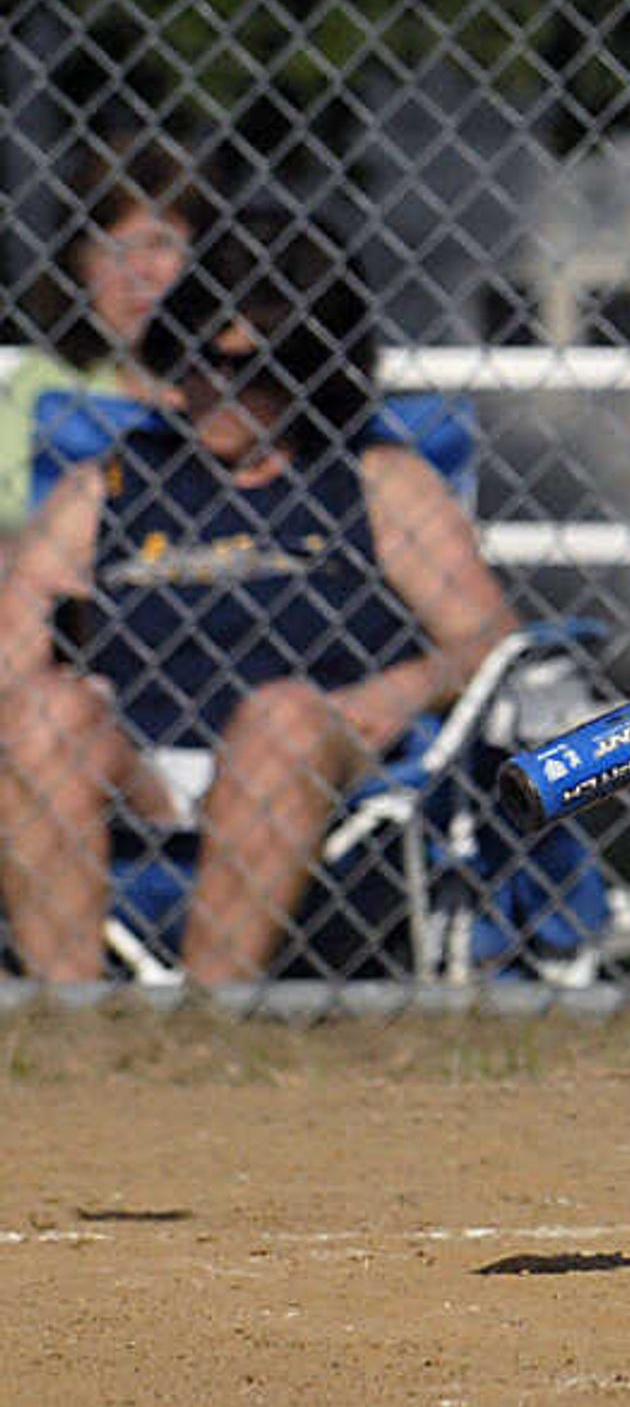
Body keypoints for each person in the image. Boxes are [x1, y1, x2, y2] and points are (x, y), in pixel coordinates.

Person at [0, 212, 518, 983]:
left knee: (281, 716)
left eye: (255, 370)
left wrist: (392, 692)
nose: (219, 388)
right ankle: (72, 1028)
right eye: (199, 359)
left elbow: (489, 638)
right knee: (42, 712)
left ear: (315, 369)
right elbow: (16, 639)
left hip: (315, 763)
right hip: (143, 775)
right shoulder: (109, 483)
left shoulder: (376, 480)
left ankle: (212, 1018)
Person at [2, 136, 213, 534]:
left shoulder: (249, 393)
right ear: (79, 268)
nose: (138, 272)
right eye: (114, 249)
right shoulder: (34, 388)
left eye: (160, 244)